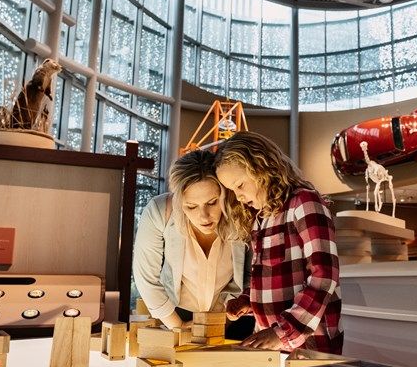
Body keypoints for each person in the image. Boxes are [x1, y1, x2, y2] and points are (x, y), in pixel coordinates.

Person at [214, 131, 343, 354]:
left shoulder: (304, 202)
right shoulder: (260, 219)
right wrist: (247, 299)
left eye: (240, 185)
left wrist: (281, 332)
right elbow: (271, 276)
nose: (238, 197)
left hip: (311, 343)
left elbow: (324, 275)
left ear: (261, 168)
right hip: (274, 343)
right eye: (232, 191)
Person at [132, 150, 254, 340]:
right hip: (174, 314)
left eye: (212, 203)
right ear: (179, 201)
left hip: (235, 316)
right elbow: (146, 278)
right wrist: (178, 326)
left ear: (225, 194)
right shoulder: (159, 211)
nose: (203, 216)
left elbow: (252, 273)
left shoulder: (242, 211)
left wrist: (228, 316)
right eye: (191, 206)